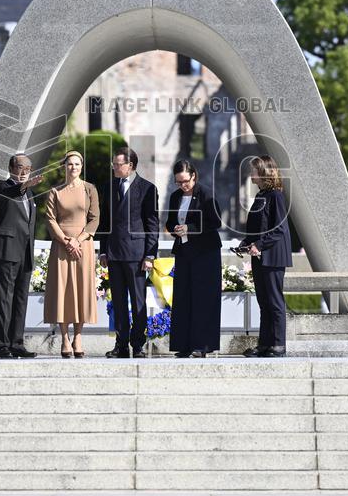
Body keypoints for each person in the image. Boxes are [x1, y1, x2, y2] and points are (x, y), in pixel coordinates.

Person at [98, 147, 159, 359]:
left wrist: (150, 255)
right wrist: (103, 250)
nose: (114, 167)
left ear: (130, 166)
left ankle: (138, 344)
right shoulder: (109, 186)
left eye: (118, 164)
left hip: (137, 254)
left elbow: (152, 224)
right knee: (119, 302)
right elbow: (104, 222)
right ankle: (121, 344)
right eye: (113, 164)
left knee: (138, 301)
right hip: (114, 253)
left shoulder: (147, 188)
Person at [43, 150, 100, 358]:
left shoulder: (89, 189)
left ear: (81, 167)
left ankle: (78, 336)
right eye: (69, 164)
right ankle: (65, 338)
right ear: (64, 166)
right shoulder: (55, 191)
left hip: (83, 246)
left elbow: (94, 219)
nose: (73, 168)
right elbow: (50, 220)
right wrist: (66, 240)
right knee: (62, 292)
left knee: (81, 291)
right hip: (61, 246)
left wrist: (79, 239)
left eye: (77, 164)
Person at [165, 159, 222, 358]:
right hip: (184, 251)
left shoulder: (206, 194)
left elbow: (215, 222)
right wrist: (176, 230)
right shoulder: (175, 197)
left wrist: (190, 228)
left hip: (205, 252)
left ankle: (203, 345)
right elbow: (170, 221)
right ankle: (184, 344)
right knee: (183, 298)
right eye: (179, 182)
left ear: (194, 176)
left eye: (186, 181)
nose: (183, 185)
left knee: (203, 299)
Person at [0, 153, 41, 359]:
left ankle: (17, 342)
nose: (24, 172)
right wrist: (25, 185)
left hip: (25, 252)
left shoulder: (29, 193)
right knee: (4, 299)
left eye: (28, 168)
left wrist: (28, 186)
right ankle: (2, 345)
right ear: (11, 168)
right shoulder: (1, 186)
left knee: (20, 299)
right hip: (6, 251)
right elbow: (11, 192)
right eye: (20, 167)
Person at [240, 155, 292, 358]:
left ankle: (278, 344)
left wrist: (259, 245)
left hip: (273, 255)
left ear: (263, 172)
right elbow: (258, 228)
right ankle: (264, 344)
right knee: (263, 301)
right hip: (260, 255)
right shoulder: (262, 195)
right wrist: (246, 243)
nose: (251, 173)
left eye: (254, 170)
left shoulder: (276, 196)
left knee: (274, 300)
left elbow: (280, 230)